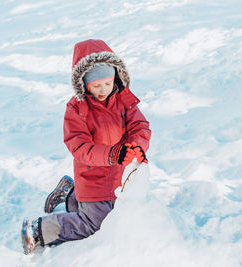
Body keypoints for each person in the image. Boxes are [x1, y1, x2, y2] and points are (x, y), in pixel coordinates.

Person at [21, 39, 151, 255]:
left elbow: (140, 125)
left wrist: (137, 146)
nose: (103, 90)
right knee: (97, 225)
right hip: (93, 180)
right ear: (83, 83)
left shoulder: (122, 100)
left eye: (107, 84)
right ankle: (39, 229)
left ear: (116, 78)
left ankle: (68, 196)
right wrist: (111, 154)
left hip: (120, 176)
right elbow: (78, 145)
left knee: (124, 216)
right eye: (96, 85)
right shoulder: (77, 109)